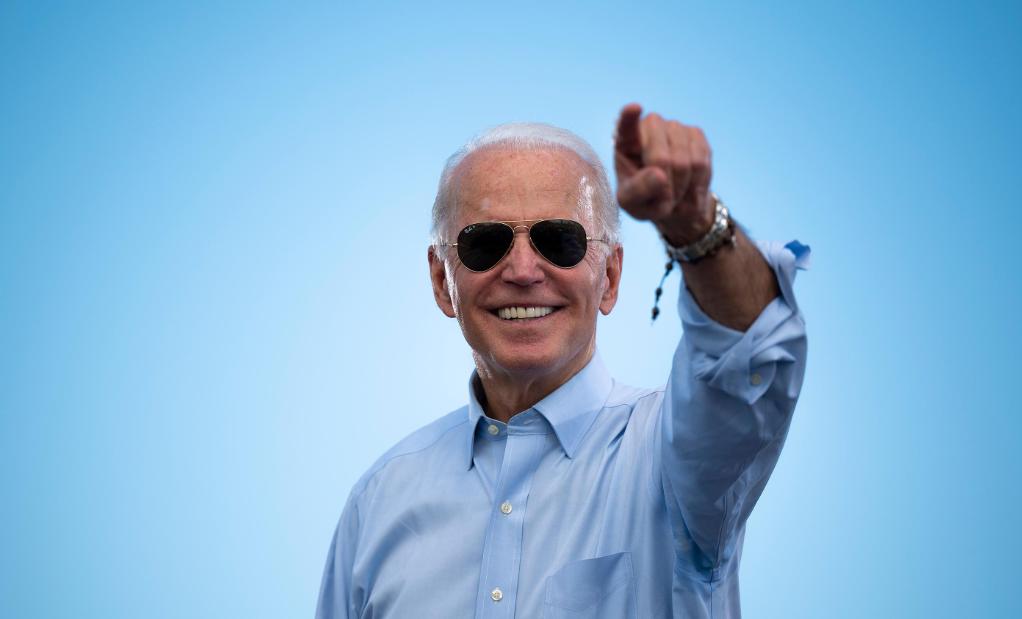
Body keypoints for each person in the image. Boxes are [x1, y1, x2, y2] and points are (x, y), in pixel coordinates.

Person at [315, 103, 811, 618]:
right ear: (442, 281)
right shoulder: (379, 502)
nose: (523, 270)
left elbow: (747, 353)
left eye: (560, 241)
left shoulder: (673, 462)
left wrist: (699, 229)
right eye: (485, 243)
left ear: (610, 277)